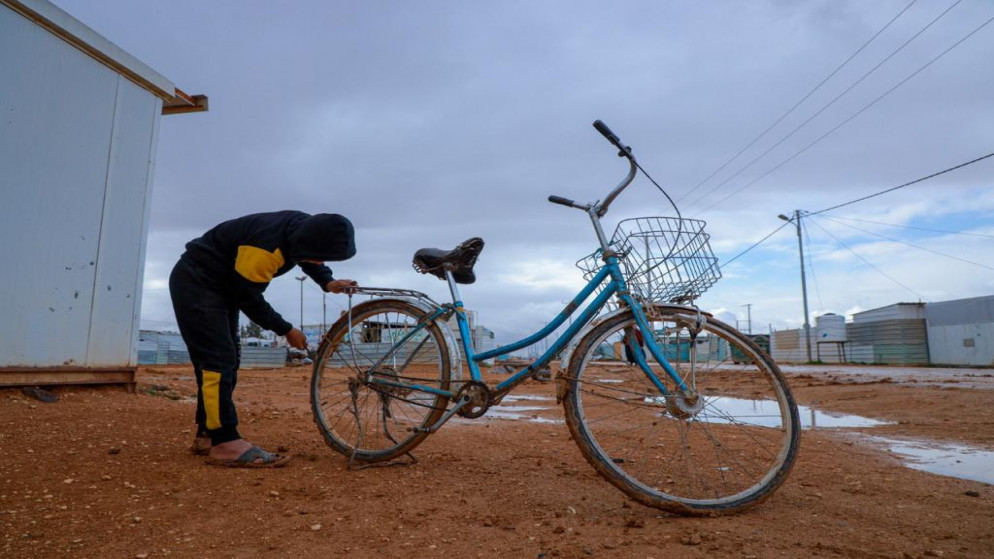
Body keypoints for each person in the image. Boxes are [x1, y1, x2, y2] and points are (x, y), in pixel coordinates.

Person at [169, 211, 357, 467]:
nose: (320, 259)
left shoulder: (303, 228)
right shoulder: (265, 249)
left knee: (228, 359)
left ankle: (208, 434)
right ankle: (224, 442)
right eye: (319, 255)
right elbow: (248, 298)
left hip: (223, 286)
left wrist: (328, 282)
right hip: (198, 282)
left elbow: (308, 258)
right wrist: (286, 329)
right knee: (217, 360)